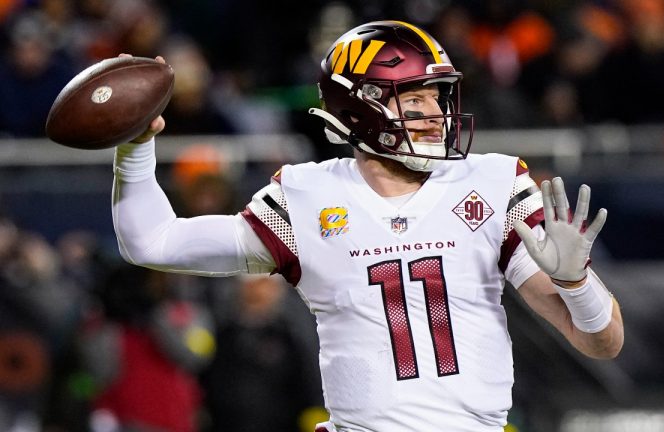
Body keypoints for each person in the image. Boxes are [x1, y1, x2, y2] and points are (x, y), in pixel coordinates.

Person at [110, 20, 624, 432]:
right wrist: (135, 148)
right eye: (414, 99)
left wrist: (576, 284)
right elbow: (152, 241)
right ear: (360, 107)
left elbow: (603, 343)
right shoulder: (307, 199)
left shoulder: (491, 184)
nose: (434, 115)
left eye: (437, 98)